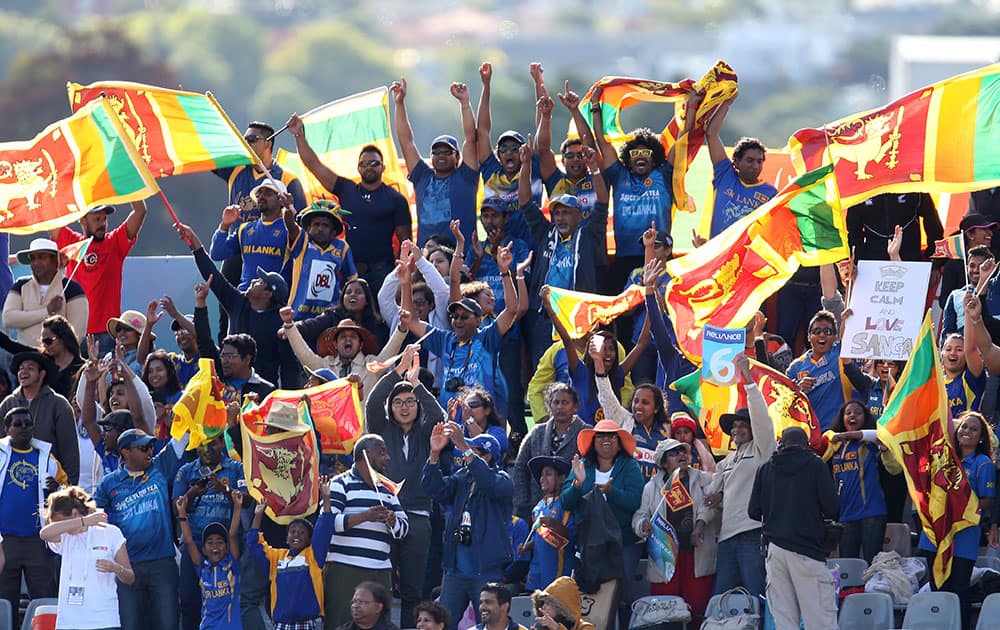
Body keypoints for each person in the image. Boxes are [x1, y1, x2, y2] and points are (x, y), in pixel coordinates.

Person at [365, 346, 445, 628]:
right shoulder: (381, 429)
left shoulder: (426, 433)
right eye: (398, 402)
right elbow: (373, 403)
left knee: (412, 588)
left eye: (410, 401)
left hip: (419, 516)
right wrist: (397, 372)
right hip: (384, 515)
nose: (404, 406)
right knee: (382, 588)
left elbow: (440, 420)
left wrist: (417, 384)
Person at [286, 114, 411, 293]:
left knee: (381, 320)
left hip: (382, 271)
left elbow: (406, 242)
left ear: (383, 167)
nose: (369, 167)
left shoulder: (395, 199)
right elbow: (314, 165)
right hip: (349, 268)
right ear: (358, 168)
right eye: (364, 163)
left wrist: (404, 278)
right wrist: (299, 135)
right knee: (349, 319)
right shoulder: (346, 189)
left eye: (374, 163)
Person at [179, 223, 299, 388]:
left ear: (268, 294)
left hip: (260, 393)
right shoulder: (238, 302)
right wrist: (194, 244)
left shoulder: (279, 322)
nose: (253, 281)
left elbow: (289, 365)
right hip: (227, 387)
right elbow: (213, 276)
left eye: (260, 281)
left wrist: (288, 399)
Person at [522, 145, 609, 368]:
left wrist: (595, 170)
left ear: (579, 216)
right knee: (544, 370)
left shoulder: (589, 235)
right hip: (545, 317)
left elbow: (602, 203)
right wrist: (525, 167)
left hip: (578, 316)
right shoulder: (545, 233)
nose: (560, 218)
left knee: (579, 370)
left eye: (566, 213)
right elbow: (525, 203)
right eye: (556, 213)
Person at [422, 423, 513, 630]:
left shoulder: (503, 480)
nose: (464, 453)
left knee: (488, 626)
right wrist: (434, 455)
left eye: (472, 450)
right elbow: (433, 489)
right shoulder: (462, 478)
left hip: (485, 571)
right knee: (443, 624)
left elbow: (487, 482)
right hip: (455, 571)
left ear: (487, 456)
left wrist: (463, 444)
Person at [94, 428, 187, 630]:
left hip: (162, 563)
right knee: (130, 626)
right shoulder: (108, 483)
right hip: (127, 566)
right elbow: (95, 519)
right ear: (125, 452)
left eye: (151, 447)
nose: (149, 452)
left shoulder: (159, 467)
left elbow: (183, 435)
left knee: (168, 625)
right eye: (143, 447)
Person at [749, 426, 840, 630]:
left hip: (775, 552)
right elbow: (832, 508)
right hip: (807, 550)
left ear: (781, 444)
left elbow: (753, 511)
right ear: (806, 444)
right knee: (820, 619)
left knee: (785, 621)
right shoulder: (815, 465)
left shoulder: (766, 468)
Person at [704, 354, 775, 600]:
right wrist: (715, 501)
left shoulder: (763, 450)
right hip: (726, 539)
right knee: (721, 599)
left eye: (743, 424)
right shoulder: (723, 463)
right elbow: (713, 498)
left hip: (752, 535)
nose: (737, 429)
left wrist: (748, 379)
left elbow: (762, 419)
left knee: (755, 597)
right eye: (733, 426)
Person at [561, 419, 643, 627]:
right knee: (593, 593)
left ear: (619, 442)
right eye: (601, 436)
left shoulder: (630, 465)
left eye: (611, 436)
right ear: (593, 441)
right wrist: (577, 485)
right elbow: (566, 502)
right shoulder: (582, 466)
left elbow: (636, 500)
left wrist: (611, 492)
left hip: (623, 542)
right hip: (590, 544)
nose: (606, 439)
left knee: (623, 594)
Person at [324, 435, 410, 628]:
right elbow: (328, 523)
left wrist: (392, 520)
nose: (387, 458)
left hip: (380, 570)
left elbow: (404, 529)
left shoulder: (387, 488)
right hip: (345, 569)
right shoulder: (340, 483)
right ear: (365, 454)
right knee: (341, 622)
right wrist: (365, 516)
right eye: (382, 452)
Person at [921, 411, 995, 630]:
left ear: (981, 437)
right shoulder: (944, 456)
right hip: (936, 534)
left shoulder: (983, 464)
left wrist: (960, 507)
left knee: (959, 589)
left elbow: (988, 501)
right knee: (937, 588)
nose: (967, 431)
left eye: (974, 429)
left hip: (964, 536)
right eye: (964, 427)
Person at [633, 438, 717, 625]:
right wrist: (642, 524)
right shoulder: (652, 487)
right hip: (665, 558)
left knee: (697, 611)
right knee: (665, 614)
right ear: (663, 462)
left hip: (696, 556)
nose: (681, 455)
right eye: (674, 453)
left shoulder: (704, 480)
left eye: (683, 451)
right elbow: (639, 515)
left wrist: (700, 525)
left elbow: (711, 506)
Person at [391, 77, 479, 247]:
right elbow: (406, 141)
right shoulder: (422, 176)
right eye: (436, 151)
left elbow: (471, 138)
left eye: (447, 151)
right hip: (427, 260)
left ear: (458, 157)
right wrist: (400, 103)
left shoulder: (466, 176)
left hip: (460, 258)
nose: (441, 155)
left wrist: (465, 103)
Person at [52, 201, 148, 355]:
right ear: (83, 220)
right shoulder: (70, 241)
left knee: (107, 379)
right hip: (74, 332)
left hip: (107, 334)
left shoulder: (115, 242)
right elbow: (50, 214)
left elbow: (140, 211)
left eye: (104, 219)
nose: (103, 224)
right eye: (97, 219)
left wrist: (131, 180)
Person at [173, 435, 247, 630]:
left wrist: (225, 489)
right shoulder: (186, 470)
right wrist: (191, 494)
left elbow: (247, 500)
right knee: (189, 600)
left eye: (212, 444)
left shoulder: (236, 468)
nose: (206, 450)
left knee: (230, 598)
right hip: (195, 543)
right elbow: (175, 508)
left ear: (222, 442)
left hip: (228, 545)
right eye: (202, 445)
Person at [0, 406, 66, 619]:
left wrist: (57, 489)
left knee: (44, 598)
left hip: (38, 540)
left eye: (28, 424)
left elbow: (69, 492)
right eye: (17, 424)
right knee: (3, 600)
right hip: (4, 542)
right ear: (6, 428)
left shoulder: (47, 458)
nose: (24, 428)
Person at [40, 485, 134, 629]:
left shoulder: (111, 532)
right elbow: (44, 534)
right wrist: (83, 521)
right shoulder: (64, 537)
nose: (62, 527)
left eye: (61, 522)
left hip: (104, 620)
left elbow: (130, 577)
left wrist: (116, 568)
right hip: (69, 622)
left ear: (75, 513)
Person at [248, 476, 335, 630]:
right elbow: (254, 544)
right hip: (282, 624)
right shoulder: (276, 558)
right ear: (286, 538)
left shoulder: (313, 556)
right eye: (292, 532)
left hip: (309, 623)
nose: (296, 535)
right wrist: (258, 515)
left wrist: (326, 498)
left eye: (302, 533)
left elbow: (325, 528)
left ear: (309, 539)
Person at [826, 400, 900, 563]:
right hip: (845, 516)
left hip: (871, 514)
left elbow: (894, 469)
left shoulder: (871, 442)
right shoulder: (835, 446)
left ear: (865, 418)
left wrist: (885, 450)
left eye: (858, 413)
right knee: (847, 565)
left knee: (872, 564)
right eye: (848, 413)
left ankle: (873, 590)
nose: (852, 415)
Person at [282, 308, 405, 401]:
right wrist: (289, 325)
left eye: (353, 337)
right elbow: (304, 354)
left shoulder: (372, 365)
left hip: (363, 432)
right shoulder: (325, 365)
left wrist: (402, 328)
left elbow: (391, 350)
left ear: (360, 344)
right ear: (335, 344)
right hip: (333, 433)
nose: (348, 340)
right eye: (343, 337)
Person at [0, 350, 79, 484]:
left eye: (30, 368)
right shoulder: (8, 403)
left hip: (49, 483)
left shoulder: (59, 405)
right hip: (11, 482)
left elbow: (69, 452)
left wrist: (68, 490)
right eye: (21, 369)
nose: (23, 372)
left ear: (42, 374)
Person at [703, 97, 777, 237]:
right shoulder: (725, 174)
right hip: (718, 255)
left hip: (747, 258)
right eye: (750, 160)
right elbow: (711, 133)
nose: (755, 166)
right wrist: (726, 102)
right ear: (736, 161)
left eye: (759, 161)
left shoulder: (771, 194)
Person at [513, 383, 587, 521]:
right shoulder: (536, 432)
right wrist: (523, 504)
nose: (560, 407)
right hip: (537, 508)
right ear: (549, 406)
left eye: (565, 402)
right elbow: (520, 467)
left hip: (573, 509)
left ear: (575, 406)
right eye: (556, 402)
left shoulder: (585, 433)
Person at [176, 489, 244, 630]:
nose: (215, 547)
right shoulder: (202, 569)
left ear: (226, 548)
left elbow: (232, 534)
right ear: (203, 550)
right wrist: (182, 513)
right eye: (210, 543)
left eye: (220, 542)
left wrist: (237, 507)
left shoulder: (232, 565)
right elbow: (188, 541)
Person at [209, 179, 294, 288]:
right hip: (245, 296)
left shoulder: (290, 230)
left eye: (268, 193)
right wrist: (224, 225)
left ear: (281, 200)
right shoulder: (244, 229)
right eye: (259, 193)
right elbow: (217, 254)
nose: (262, 196)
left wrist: (290, 210)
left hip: (274, 299)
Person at [283, 200, 359, 320]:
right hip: (298, 315)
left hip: (329, 316)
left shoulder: (342, 247)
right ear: (308, 228)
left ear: (334, 232)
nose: (320, 228)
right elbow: (291, 227)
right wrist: (288, 209)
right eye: (316, 224)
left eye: (325, 225)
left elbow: (352, 280)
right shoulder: (302, 241)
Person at [3, 237, 88, 343]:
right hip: (24, 357)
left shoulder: (72, 288)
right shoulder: (20, 285)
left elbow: (77, 334)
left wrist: (51, 352)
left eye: (41, 257)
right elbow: (8, 319)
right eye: (33, 258)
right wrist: (46, 311)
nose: (36, 262)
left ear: (54, 260)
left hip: (58, 359)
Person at [520, 456, 575, 591]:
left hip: (557, 572)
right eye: (541, 475)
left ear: (562, 478)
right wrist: (527, 547)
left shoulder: (565, 505)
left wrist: (554, 524)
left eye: (548, 474)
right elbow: (539, 537)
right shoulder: (538, 507)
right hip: (537, 571)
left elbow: (571, 538)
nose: (543, 478)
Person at [0, 314, 84, 400]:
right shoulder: (42, 359)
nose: (45, 346)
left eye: (48, 341)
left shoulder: (81, 367)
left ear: (63, 339)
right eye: (42, 341)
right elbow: (12, 346)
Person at [846, 192, 942, 262]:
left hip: (910, 259)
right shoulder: (860, 189)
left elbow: (931, 218)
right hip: (873, 262)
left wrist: (934, 258)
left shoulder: (913, 184)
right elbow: (853, 230)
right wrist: (858, 262)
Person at [942, 246, 994, 338]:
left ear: (990, 268)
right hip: (964, 348)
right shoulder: (955, 295)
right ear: (966, 268)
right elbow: (948, 332)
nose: (976, 270)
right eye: (972, 266)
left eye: (981, 266)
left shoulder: (996, 293)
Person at [529, 576, 595, 630]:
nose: (543, 606)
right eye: (543, 602)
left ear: (561, 607)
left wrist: (557, 628)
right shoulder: (543, 627)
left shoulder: (585, 627)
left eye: (548, 603)